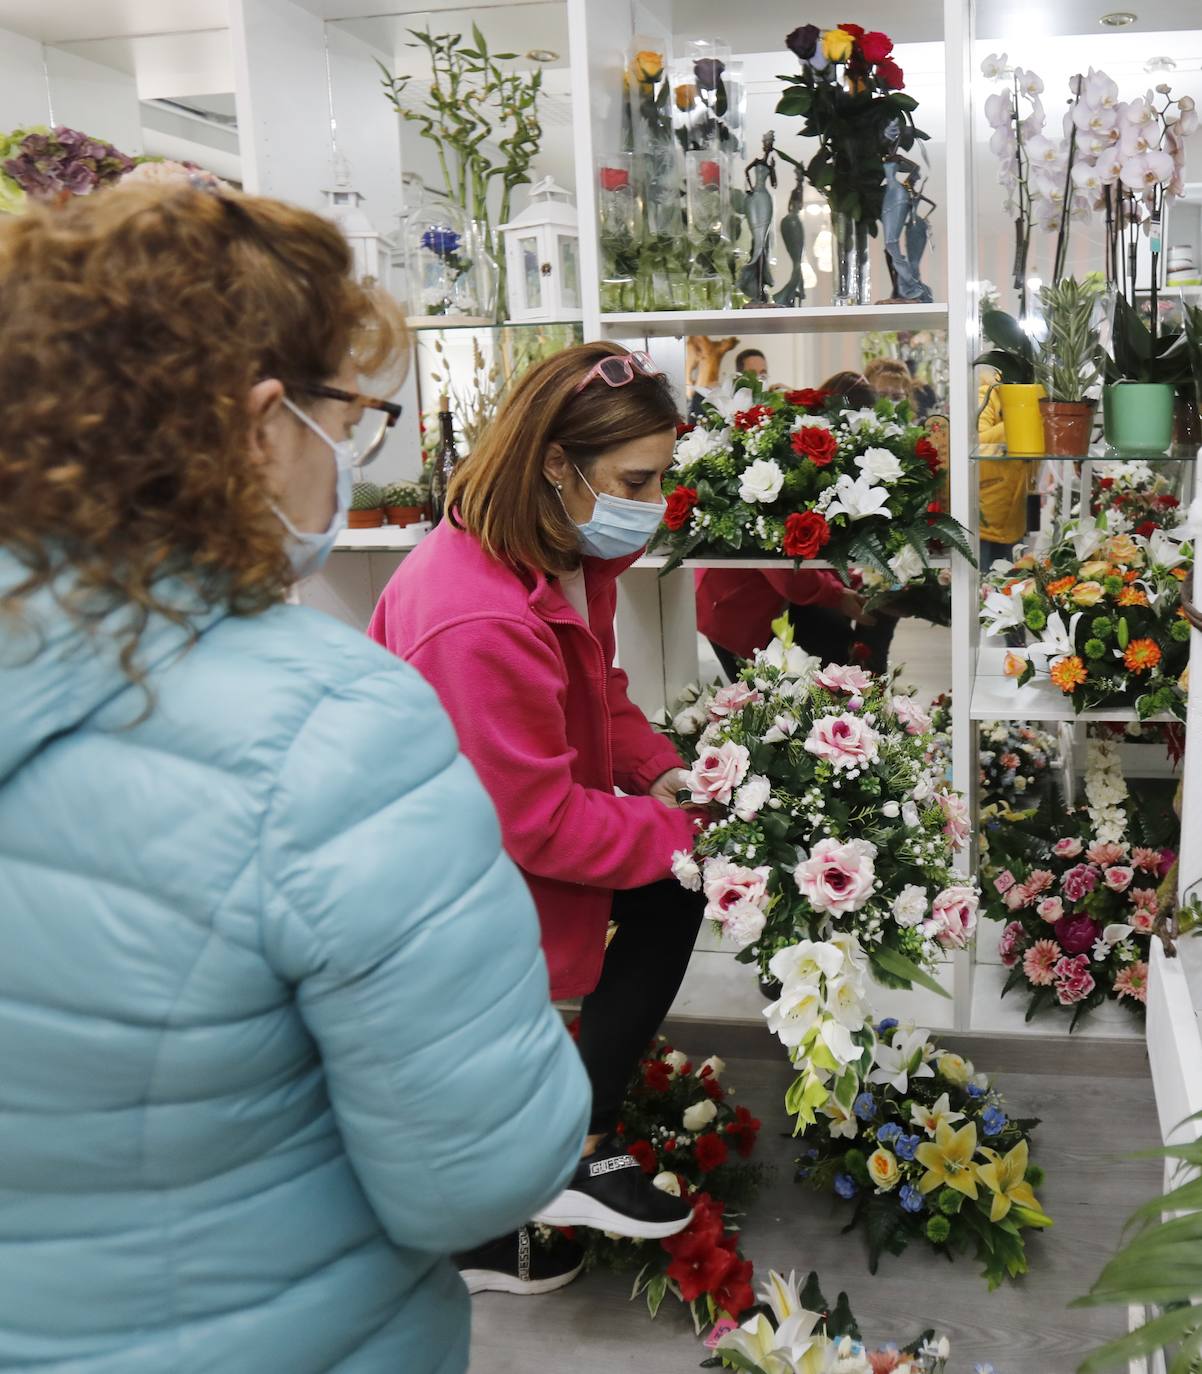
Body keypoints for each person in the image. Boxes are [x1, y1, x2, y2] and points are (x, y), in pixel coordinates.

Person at [0, 182, 589, 1374]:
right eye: (354, 421)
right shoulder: (325, 730)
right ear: (263, 426)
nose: (351, 463)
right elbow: (477, 1174)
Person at [369, 343, 706, 1293]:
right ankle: (557, 1154)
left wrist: (660, 772)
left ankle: (553, 1152)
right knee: (675, 882)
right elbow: (538, 823)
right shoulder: (475, 615)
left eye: (662, 478)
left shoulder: (552, 552)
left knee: (671, 887)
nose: (653, 501)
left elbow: (595, 685)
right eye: (636, 480)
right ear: (557, 464)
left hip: (494, 834)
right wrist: (691, 837)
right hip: (449, 875)